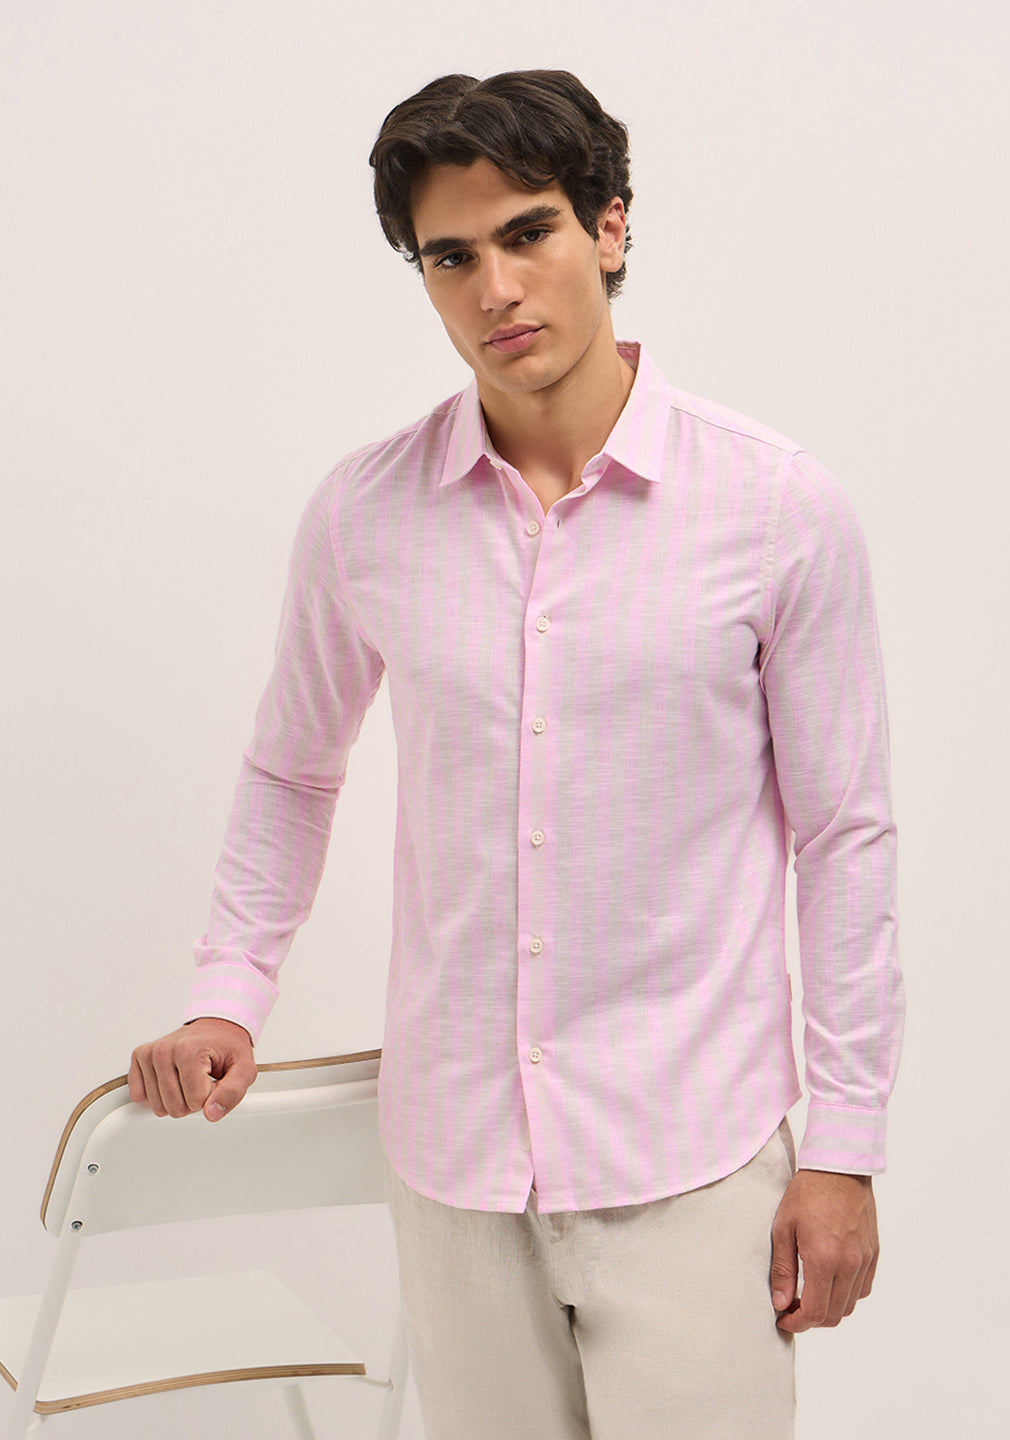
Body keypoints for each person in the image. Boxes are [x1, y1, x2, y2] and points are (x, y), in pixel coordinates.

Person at [129, 69, 904, 1439]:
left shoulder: (775, 506)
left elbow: (846, 836)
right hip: (453, 1166)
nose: (495, 288)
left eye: (528, 232)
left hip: (694, 1159)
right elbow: (290, 769)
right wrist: (228, 995)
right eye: (450, 256)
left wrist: (844, 1150)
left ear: (608, 226)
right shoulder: (365, 515)